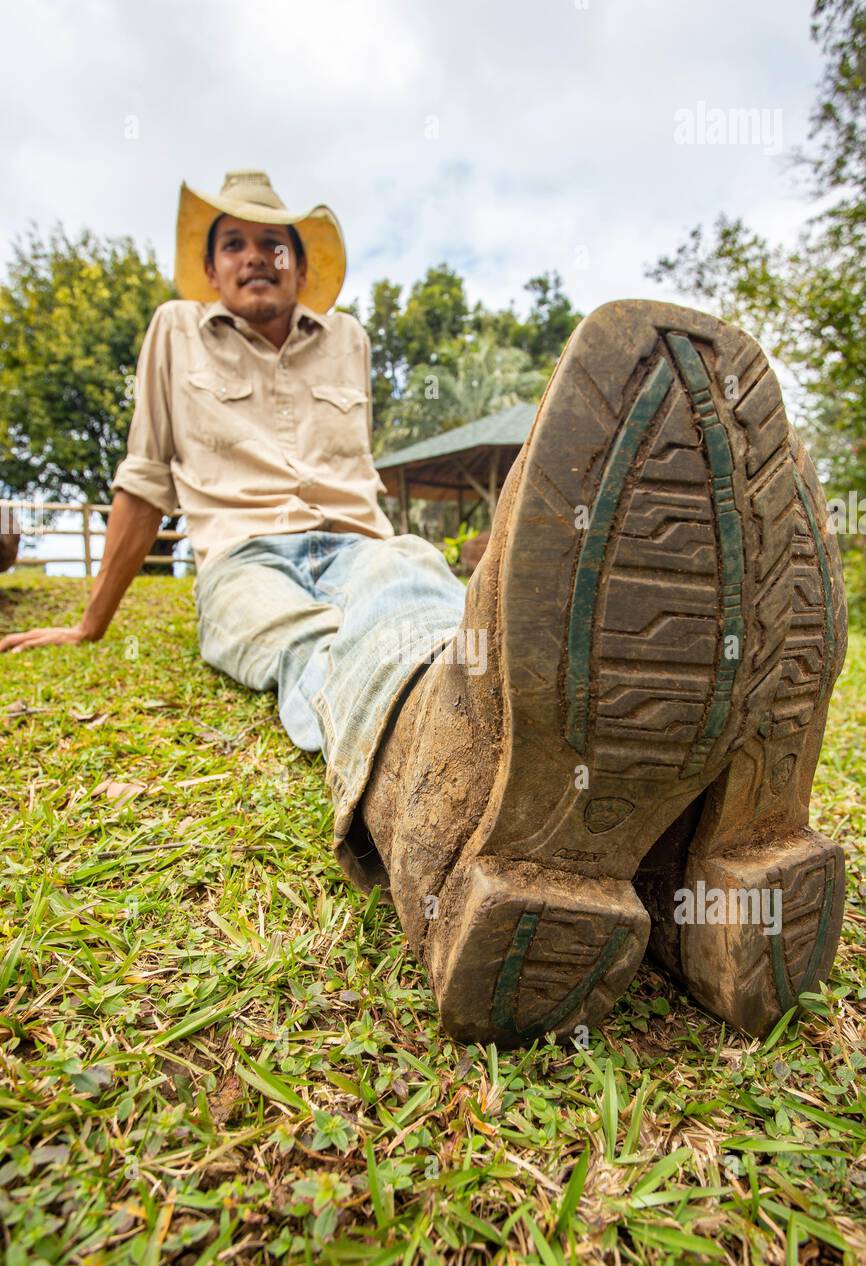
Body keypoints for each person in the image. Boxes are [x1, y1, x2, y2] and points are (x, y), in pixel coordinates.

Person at [1, 170, 847, 1046]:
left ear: (299, 264)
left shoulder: (348, 340)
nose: (257, 257)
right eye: (236, 244)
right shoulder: (173, 332)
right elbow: (143, 479)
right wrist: (90, 619)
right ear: (211, 266)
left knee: (408, 595)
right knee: (310, 648)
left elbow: (357, 483)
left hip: (362, 536)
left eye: (275, 244)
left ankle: (628, 839)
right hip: (242, 552)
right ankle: (671, 853)